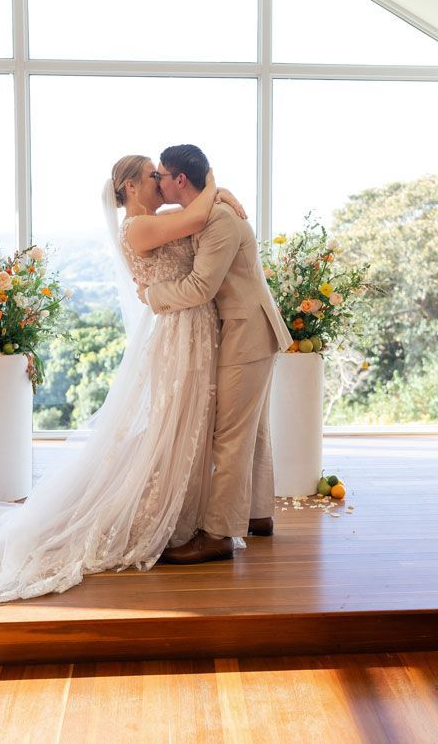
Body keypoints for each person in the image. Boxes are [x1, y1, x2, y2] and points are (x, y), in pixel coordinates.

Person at [0, 156, 242, 606]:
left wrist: (219, 195)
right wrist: (215, 183)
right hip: (178, 333)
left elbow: (199, 213)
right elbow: (197, 213)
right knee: (172, 421)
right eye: (152, 174)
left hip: (191, 330)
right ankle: (152, 515)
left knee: (184, 423)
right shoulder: (136, 227)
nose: (159, 180)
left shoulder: (160, 219)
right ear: (130, 187)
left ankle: (186, 515)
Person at [138, 145, 292, 564]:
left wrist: (151, 295)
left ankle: (219, 535)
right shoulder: (210, 211)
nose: (158, 183)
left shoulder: (220, 220)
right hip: (249, 329)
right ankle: (258, 515)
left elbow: (200, 288)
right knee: (252, 427)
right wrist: (219, 189)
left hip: (248, 332)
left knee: (230, 433)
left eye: (161, 176)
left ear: (179, 180)